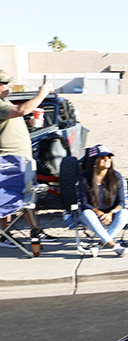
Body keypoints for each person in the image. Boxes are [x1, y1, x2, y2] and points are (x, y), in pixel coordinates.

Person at [0, 72, 54, 252]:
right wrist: (42, 94)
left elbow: (16, 119)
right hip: (9, 160)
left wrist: (30, 123)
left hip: (22, 159)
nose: (8, 86)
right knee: (7, 198)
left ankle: (35, 232)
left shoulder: (5, 104)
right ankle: (4, 234)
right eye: (5, 83)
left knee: (28, 198)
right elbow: (22, 110)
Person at [76, 145, 128, 256]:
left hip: (112, 214)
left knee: (125, 213)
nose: (107, 159)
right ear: (94, 161)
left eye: (109, 157)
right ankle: (114, 246)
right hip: (93, 214)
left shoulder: (116, 177)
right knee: (86, 213)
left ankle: (100, 244)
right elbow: (84, 203)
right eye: (102, 157)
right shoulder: (85, 178)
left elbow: (121, 203)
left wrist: (111, 213)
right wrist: (99, 213)